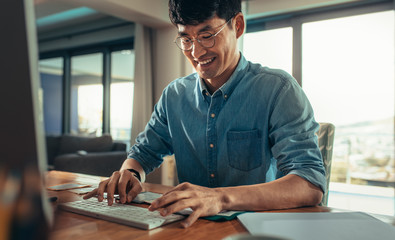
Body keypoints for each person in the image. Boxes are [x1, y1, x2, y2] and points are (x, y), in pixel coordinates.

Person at [84, 0, 326, 228]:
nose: (196, 52)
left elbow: (310, 184)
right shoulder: (174, 95)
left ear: (237, 26)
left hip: (256, 229)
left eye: (206, 36)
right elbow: (144, 152)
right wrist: (130, 173)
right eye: (186, 39)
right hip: (190, 228)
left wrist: (219, 198)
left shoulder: (278, 89)